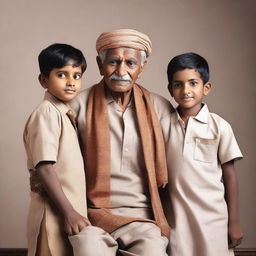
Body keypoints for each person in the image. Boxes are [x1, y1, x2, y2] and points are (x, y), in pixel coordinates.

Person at [68, 29, 173, 256]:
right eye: (113, 62)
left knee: (153, 251)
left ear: (142, 67)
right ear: (99, 64)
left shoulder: (159, 108)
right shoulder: (77, 105)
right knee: (88, 248)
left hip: (143, 217)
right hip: (91, 214)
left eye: (130, 63)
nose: (121, 71)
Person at [161, 52, 243, 256]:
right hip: (177, 220)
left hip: (213, 220)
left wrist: (234, 222)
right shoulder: (162, 126)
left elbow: (230, 176)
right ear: (170, 89)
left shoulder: (219, 126)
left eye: (192, 83)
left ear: (206, 87)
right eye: (178, 84)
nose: (185, 90)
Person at [23, 43, 89, 256]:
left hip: (67, 214)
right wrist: (69, 212)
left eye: (77, 76)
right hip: (54, 215)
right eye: (62, 75)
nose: (71, 82)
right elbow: (44, 168)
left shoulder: (65, 114)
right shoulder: (47, 113)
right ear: (44, 80)